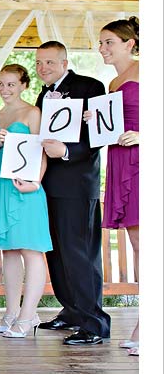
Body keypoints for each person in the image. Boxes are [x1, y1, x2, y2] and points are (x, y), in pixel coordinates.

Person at [34, 41, 111, 346]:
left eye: (50, 63)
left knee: (79, 253)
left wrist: (66, 150)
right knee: (56, 251)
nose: (43, 68)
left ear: (65, 62)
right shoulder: (42, 93)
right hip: (49, 184)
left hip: (78, 183)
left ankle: (94, 323)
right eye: (39, 63)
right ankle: (72, 311)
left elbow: (101, 132)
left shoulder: (90, 86)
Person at [0, 65, 53, 338]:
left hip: (26, 184)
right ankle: (11, 311)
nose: (5, 90)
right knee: (9, 250)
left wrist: (35, 181)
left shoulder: (32, 112)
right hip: (2, 184)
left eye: (11, 84)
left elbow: (42, 150)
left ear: (24, 85)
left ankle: (28, 316)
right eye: (2, 84)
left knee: (31, 250)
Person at [91, 18, 139, 355]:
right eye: (101, 42)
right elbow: (111, 124)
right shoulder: (112, 82)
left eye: (109, 42)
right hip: (120, 159)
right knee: (139, 246)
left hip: (143, 158)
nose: (103, 49)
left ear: (129, 44)